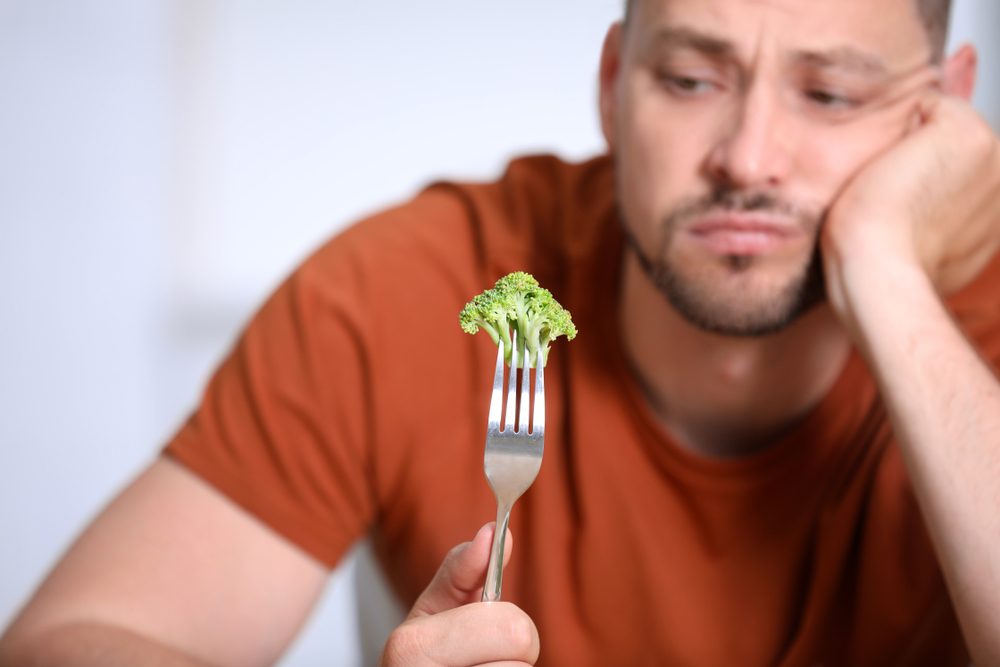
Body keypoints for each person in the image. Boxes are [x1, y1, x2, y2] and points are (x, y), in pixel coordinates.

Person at [3, 0, 1000, 664]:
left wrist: (882, 266)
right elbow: (75, 639)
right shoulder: (412, 284)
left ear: (944, 110)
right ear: (612, 82)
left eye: (828, 94)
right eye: (692, 80)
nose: (747, 158)